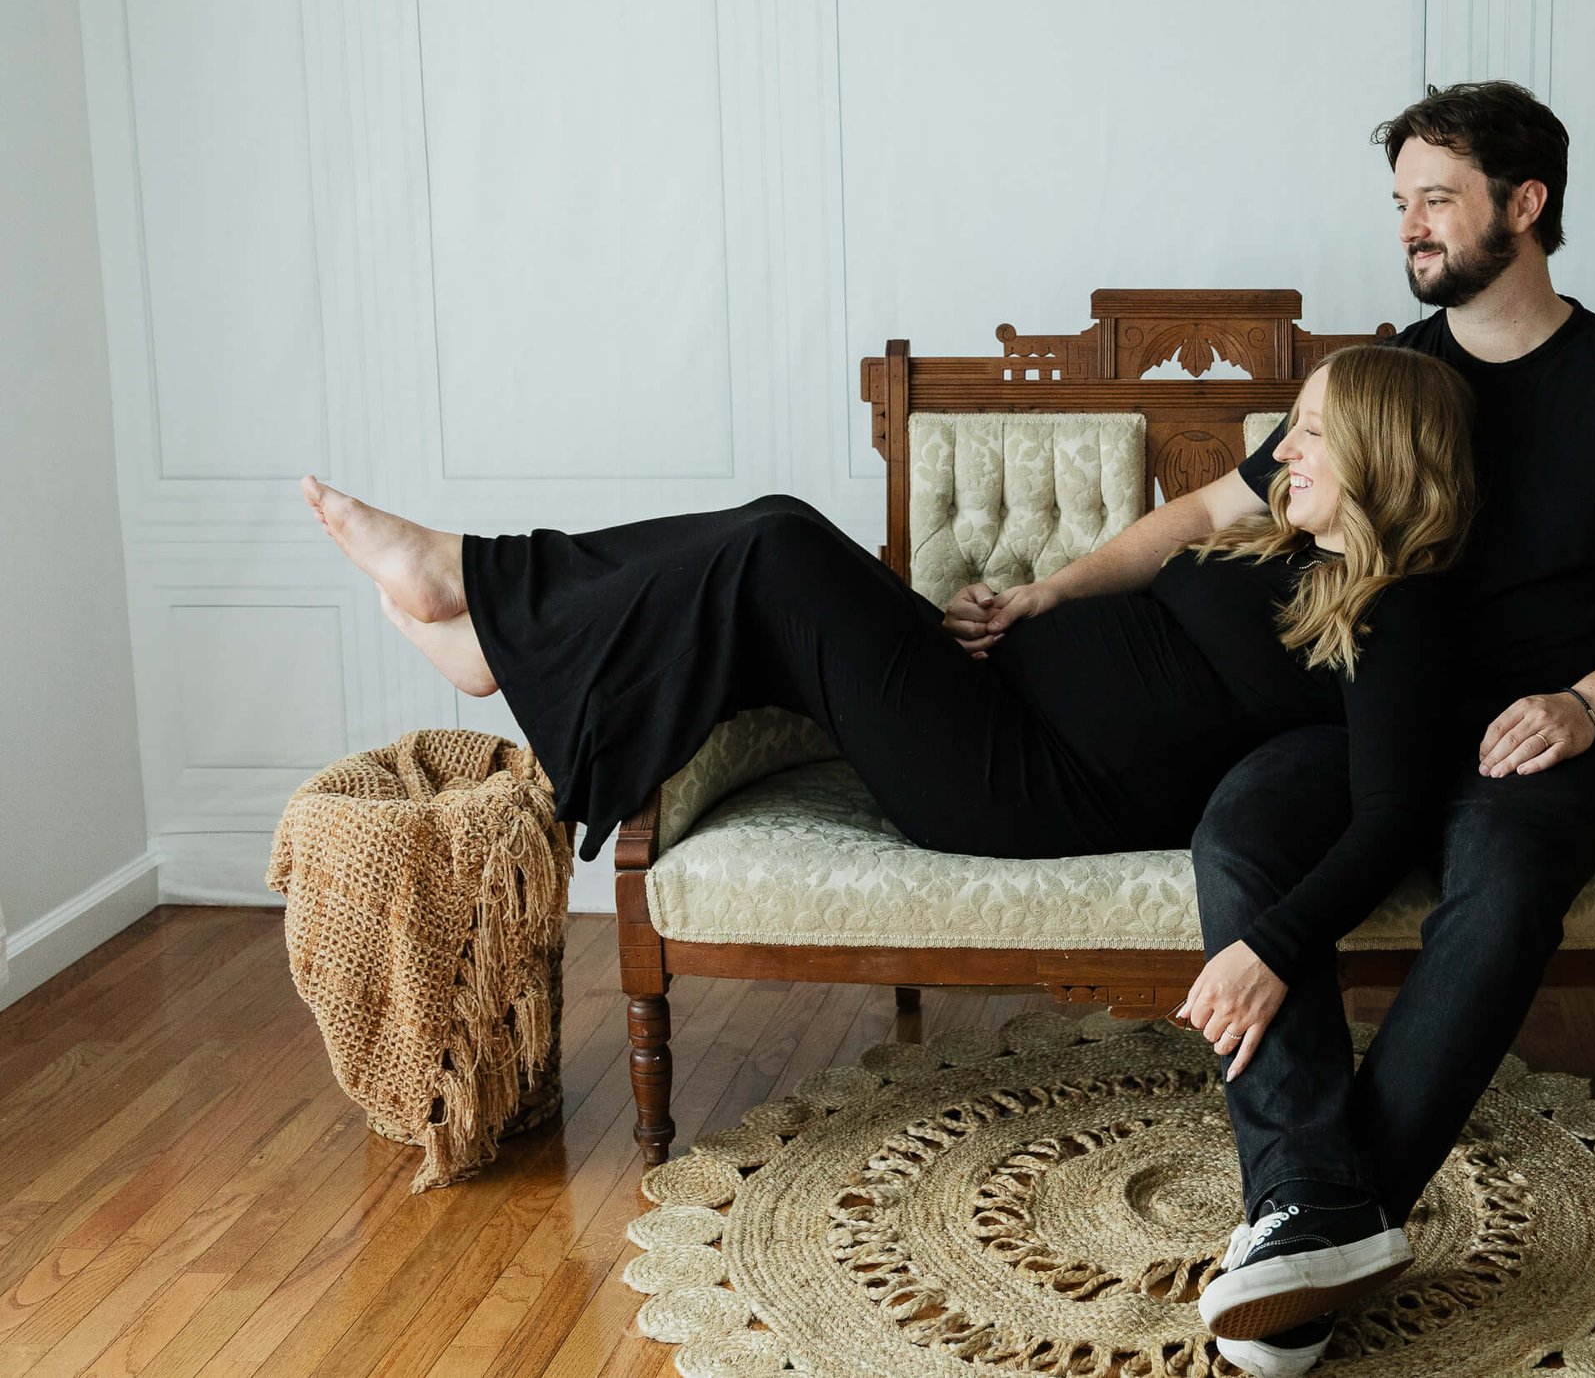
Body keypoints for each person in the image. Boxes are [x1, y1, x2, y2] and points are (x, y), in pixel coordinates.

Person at [945, 81, 1595, 1375]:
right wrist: (1052, 585)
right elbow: (1208, 508)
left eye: (1438, 199)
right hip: (1363, 715)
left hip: (1535, 733)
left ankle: (1316, 1233)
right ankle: (1308, 1198)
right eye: (1402, 203)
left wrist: (1587, 702)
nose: (1412, 227)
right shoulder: (1389, 378)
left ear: (1525, 203)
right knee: (1243, 825)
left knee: (1501, 887)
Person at [298, 346, 1477, 1041]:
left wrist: (1272, 945)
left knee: (779, 541)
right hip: (1000, 698)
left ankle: (478, 586)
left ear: (1382, 452)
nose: (1287, 446)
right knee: (760, 574)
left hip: (1018, 783)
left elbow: (1391, 813)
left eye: (1312, 430)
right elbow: (1182, 525)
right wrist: (1047, 597)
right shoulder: (1289, 530)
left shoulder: (1399, 613)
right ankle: (494, 636)